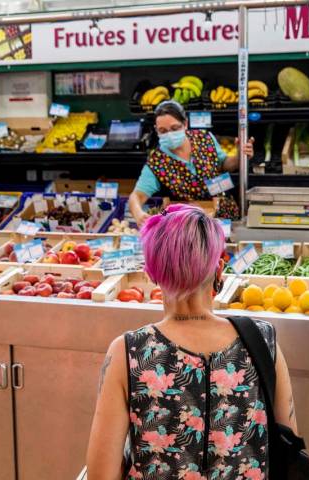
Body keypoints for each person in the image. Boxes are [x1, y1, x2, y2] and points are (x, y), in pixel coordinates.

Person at [86, 204, 297, 479]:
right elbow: (291, 450)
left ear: (152, 273)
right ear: (219, 270)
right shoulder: (262, 341)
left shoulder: (130, 352)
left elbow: (101, 475)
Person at [128, 101, 254, 226]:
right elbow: (137, 196)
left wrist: (239, 157)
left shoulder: (205, 138)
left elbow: (224, 164)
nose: (169, 134)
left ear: (185, 124)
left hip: (223, 218)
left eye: (174, 128)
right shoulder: (156, 161)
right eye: (163, 131)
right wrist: (139, 214)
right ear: (156, 130)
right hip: (186, 226)